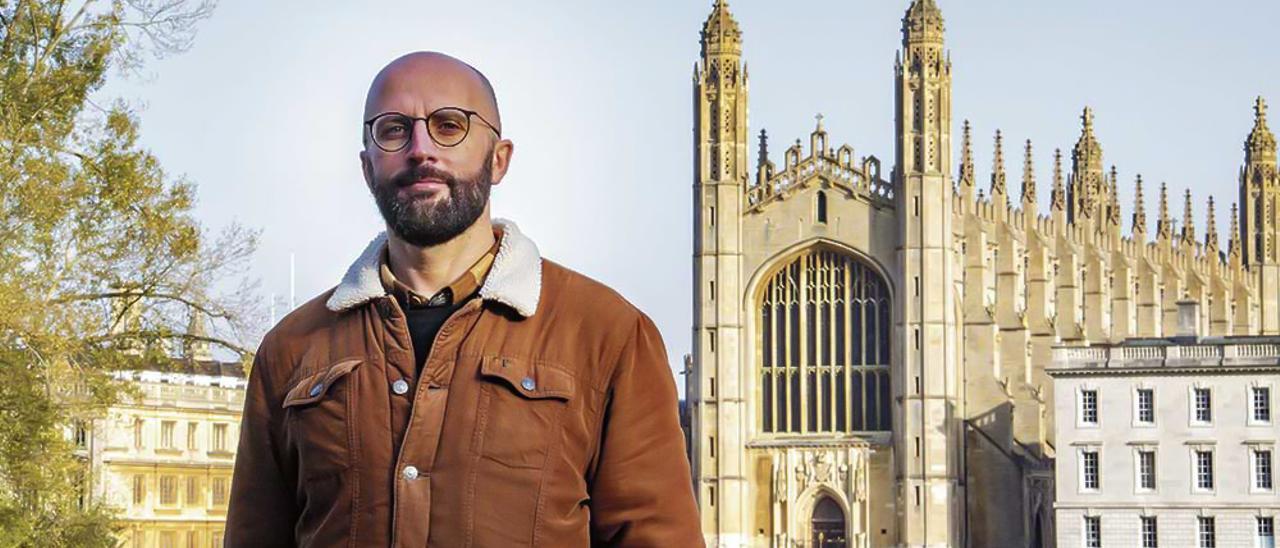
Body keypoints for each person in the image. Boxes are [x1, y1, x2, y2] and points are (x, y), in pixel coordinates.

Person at [224, 52, 703, 546]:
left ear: (499, 159)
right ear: (368, 168)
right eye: (393, 130)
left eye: (449, 125)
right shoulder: (291, 350)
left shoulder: (608, 335)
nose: (420, 149)